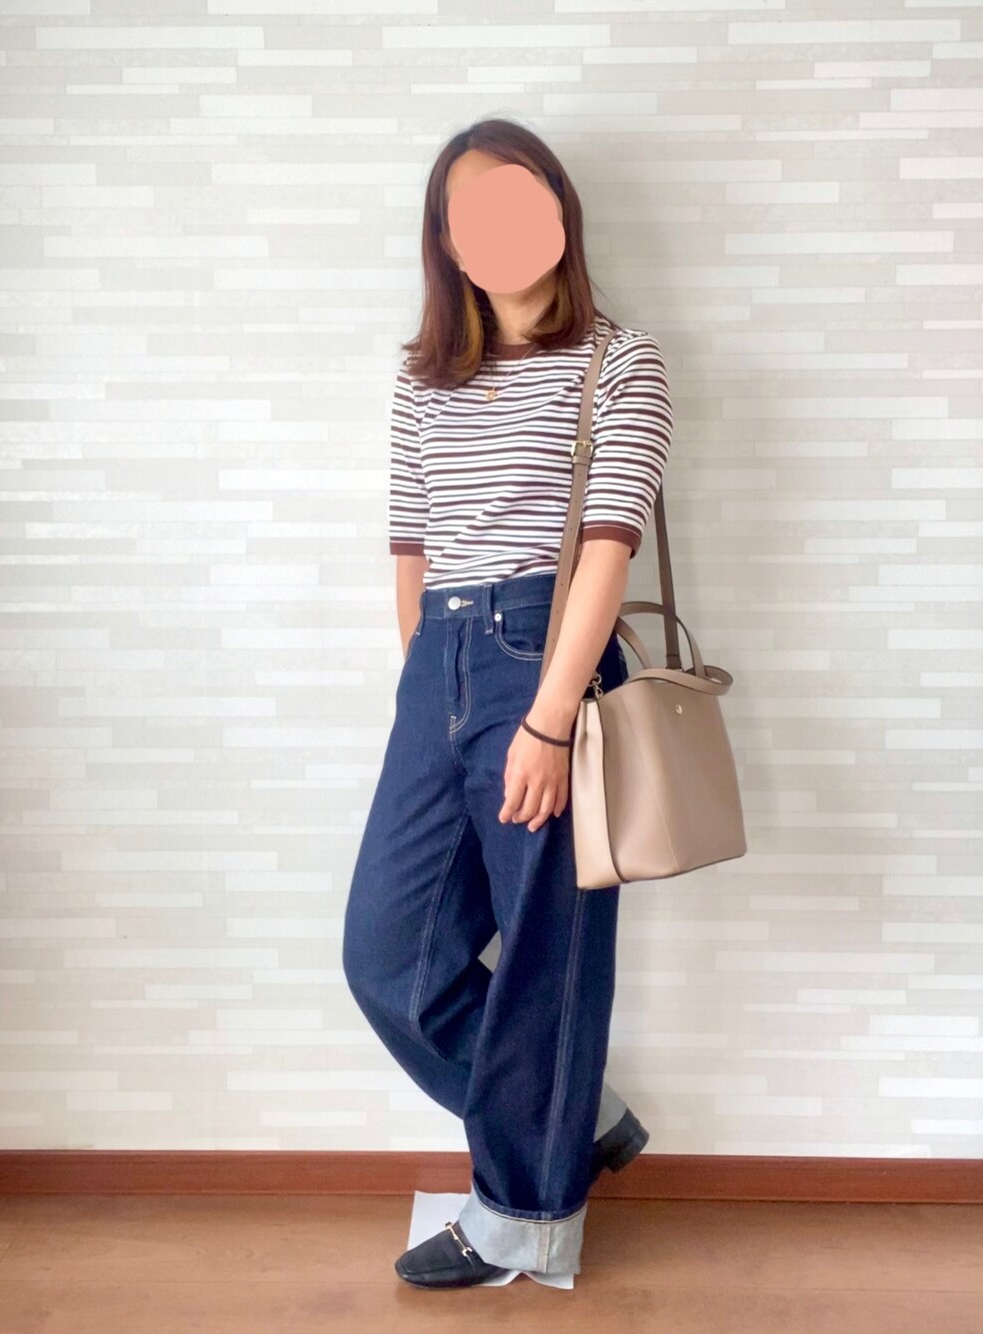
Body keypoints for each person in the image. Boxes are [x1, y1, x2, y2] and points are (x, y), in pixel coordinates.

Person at [341, 117, 673, 1289]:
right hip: (435, 663)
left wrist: (546, 714)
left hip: (547, 655)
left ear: (557, 214)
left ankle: (528, 1217)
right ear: (445, 242)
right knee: (388, 954)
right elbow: (411, 549)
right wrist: (424, 691)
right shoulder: (422, 376)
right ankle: (575, 1114)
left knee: (541, 953)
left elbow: (607, 549)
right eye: (465, 216)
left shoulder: (619, 361)